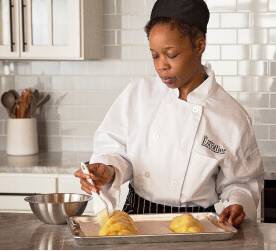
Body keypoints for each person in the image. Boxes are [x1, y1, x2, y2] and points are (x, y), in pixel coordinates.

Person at [75, 0, 264, 229]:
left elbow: (241, 183)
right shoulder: (138, 94)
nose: (161, 65)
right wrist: (106, 169)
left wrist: (237, 203)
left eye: (171, 54)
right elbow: (112, 148)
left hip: (197, 226)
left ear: (199, 46)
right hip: (136, 218)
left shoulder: (231, 117)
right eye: (155, 55)